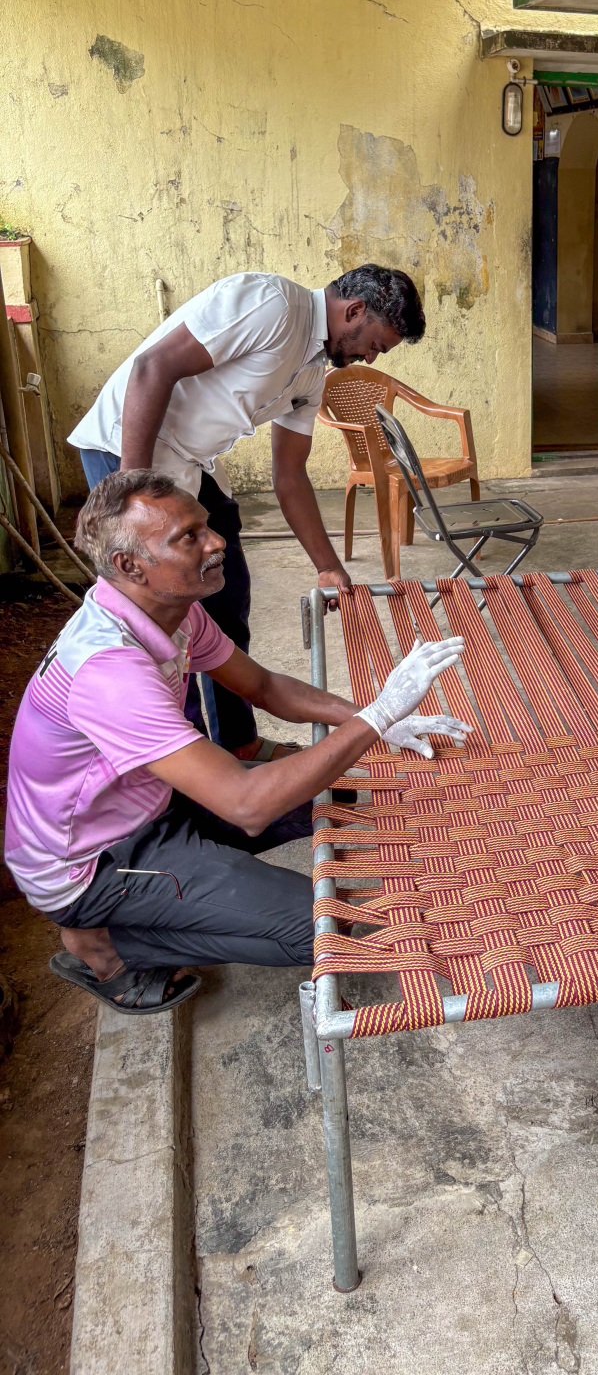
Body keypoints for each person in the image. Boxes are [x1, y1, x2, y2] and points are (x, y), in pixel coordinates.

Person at [3, 469, 469, 1014]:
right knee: (327, 929)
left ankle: (183, 888)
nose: (217, 541)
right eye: (189, 537)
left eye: (206, 525)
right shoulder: (110, 672)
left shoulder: (170, 610)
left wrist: (377, 721)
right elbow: (247, 806)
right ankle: (106, 945)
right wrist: (379, 714)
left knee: (335, 794)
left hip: (146, 804)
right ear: (131, 566)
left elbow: (265, 686)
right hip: (96, 861)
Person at [69, 264, 424, 762]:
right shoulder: (272, 304)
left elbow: (290, 475)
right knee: (166, 613)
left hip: (191, 463)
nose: (370, 356)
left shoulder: (311, 372)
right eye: (375, 345)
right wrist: (134, 496)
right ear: (355, 310)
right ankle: (189, 758)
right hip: (129, 447)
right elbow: (153, 368)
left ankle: (239, 743)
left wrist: (327, 564)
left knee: (227, 594)